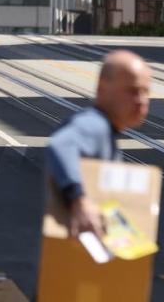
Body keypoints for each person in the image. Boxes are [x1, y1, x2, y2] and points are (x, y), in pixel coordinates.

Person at [46, 50, 152, 238]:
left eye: (145, 92)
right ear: (102, 89)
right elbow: (62, 144)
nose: (141, 101)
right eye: (132, 91)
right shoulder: (95, 124)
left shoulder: (106, 130)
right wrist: (80, 200)